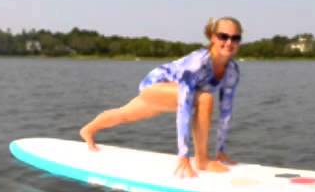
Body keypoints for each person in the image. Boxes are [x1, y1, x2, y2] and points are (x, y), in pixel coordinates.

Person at [79, 17, 242, 178]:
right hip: (155, 86)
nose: (229, 42)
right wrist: (183, 155)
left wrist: (221, 151)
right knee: (205, 98)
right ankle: (202, 160)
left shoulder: (232, 72)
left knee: (124, 115)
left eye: (235, 38)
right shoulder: (198, 63)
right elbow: (184, 106)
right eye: (223, 36)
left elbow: (225, 114)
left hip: (170, 94)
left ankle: (88, 130)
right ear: (213, 37)